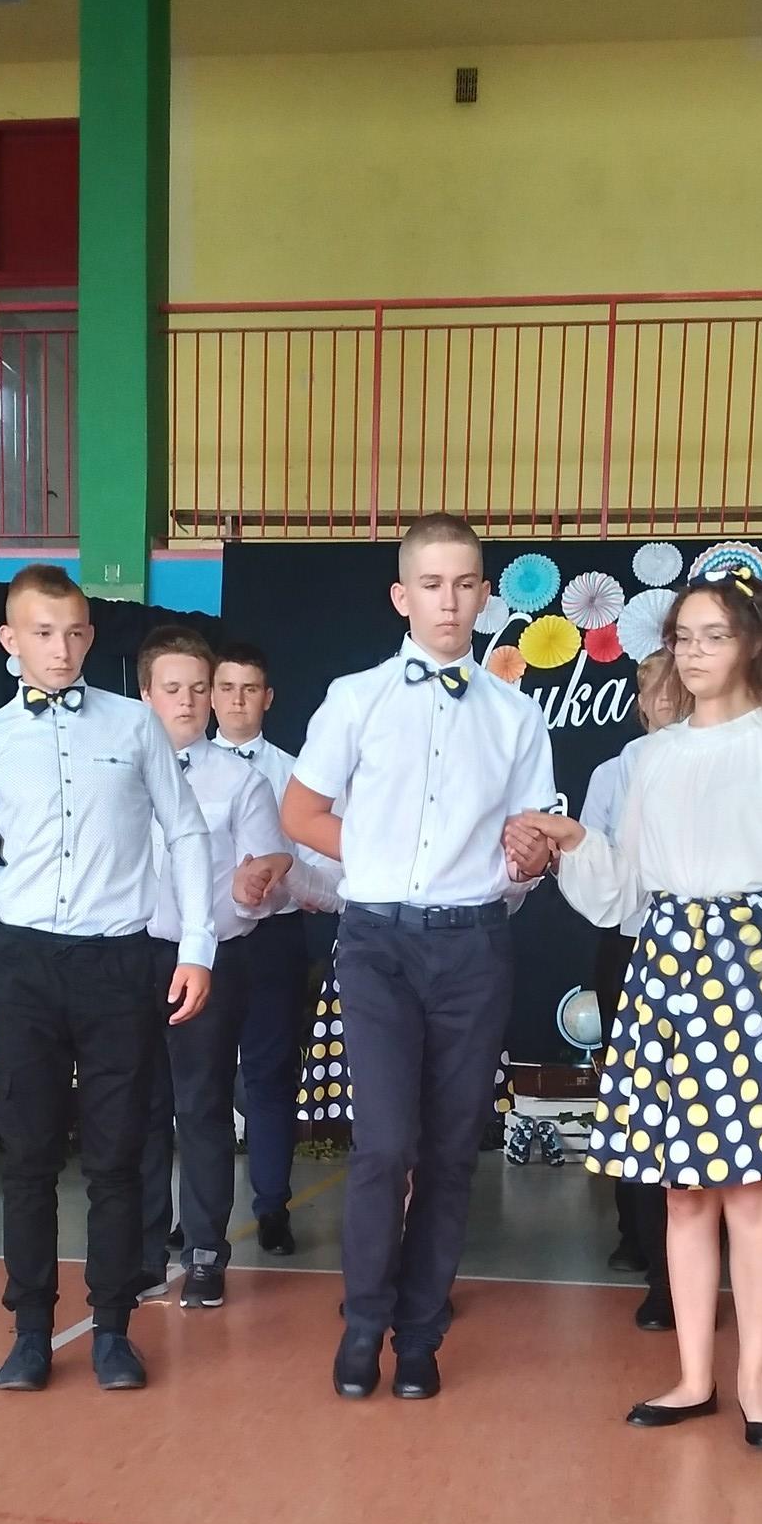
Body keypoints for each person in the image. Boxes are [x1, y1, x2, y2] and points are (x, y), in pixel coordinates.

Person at [516, 565, 762, 1449]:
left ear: (754, 643)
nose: (695, 653)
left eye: (714, 636)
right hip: (667, 970)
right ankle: (696, 1376)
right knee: (683, 1192)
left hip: (761, 974)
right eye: (683, 637)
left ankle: (756, 1379)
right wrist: (577, 842)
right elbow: (627, 893)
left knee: (752, 1192)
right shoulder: (655, 756)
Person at [282, 513, 555, 1403]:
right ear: (402, 596)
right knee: (384, 1144)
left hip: (474, 944)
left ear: (485, 595)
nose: (449, 601)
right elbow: (299, 812)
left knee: (448, 1152)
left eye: (464, 584)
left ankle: (423, 1335)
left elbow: (530, 839)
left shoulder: (517, 715)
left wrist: (530, 858)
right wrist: (380, 860)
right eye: (431, 584)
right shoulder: (355, 697)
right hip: (377, 943)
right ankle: (364, 1324)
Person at [0, 563, 214, 1396]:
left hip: (120, 961)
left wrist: (198, 946)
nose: (61, 649)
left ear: (91, 636)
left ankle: (113, 1329)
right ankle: (29, 1332)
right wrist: (14, 891)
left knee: (118, 1155)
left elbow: (187, 833)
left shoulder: (135, 725)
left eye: (75, 632)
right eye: (43, 633)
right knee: (28, 1153)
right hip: (26, 962)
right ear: (11, 640)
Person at [136, 626, 291, 1309]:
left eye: (199, 689)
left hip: (215, 958)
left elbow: (270, 869)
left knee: (201, 1105)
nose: (188, 700)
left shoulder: (241, 780)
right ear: (146, 693)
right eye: (173, 688)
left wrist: (257, 882)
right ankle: (143, 1251)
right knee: (138, 1105)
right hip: (129, 955)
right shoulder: (116, 771)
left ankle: (204, 1253)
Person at [209, 639, 340, 1256]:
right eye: (226, 688)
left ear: (268, 697)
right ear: (211, 696)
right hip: (205, 941)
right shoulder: (183, 770)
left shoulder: (295, 775)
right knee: (202, 1080)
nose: (238, 700)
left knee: (269, 1075)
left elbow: (322, 865)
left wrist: (286, 878)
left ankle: (272, 1208)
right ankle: (200, 1216)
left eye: (249, 689)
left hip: (276, 939)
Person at [582, 651, 684, 1327]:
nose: (664, 695)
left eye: (674, 682)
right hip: (630, 944)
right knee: (636, 1098)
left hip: (706, 950)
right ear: (640, 700)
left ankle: (691, 1250)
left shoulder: (727, 758)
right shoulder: (614, 772)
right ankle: (644, 1243)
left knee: (698, 1102)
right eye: (651, 686)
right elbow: (595, 868)